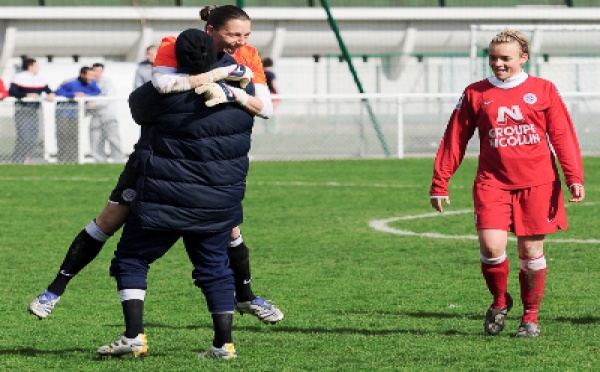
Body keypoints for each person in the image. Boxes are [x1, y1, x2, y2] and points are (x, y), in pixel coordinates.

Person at [28, 5, 282, 325]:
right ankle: (54, 290)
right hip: (157, 156)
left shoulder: (248, 57)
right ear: (211, 31)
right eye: (233, 34)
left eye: (246, 35)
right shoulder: (174, 46)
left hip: (209, 162)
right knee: (109, 219)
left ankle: (246, 297)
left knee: (229, 229)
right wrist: (219, 76)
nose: (240, 41)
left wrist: (231, 90)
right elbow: (163, 85)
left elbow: (266, 108)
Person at [96, 28, 251, 359]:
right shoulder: (241, 96)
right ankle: (223, 344)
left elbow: (139, 105)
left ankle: (134, 335)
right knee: (216, 268)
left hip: (165, 199)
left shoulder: (160, 97)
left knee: (131, 258)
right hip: (218, 201)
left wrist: (168, 75)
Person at [429, 30, 585, 338]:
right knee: (491, 247)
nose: (498, 64)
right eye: (493, 58)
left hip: (538, 183)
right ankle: (500, 301)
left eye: (505, 59)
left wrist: (573, 177)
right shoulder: (475, 93)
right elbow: (455, 138)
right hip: (492, 183)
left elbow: (562, 135)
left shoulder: (543, 90)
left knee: (531, 252)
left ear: (523, 58)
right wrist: (440, 181)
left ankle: (531, 318)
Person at [8, 57, 55, 163]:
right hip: (23, 110)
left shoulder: (39, 78)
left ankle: (26, 158)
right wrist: (26, 95)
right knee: (24, 137)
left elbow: (47, 89)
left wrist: (51, 94)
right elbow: (12, 92)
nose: (38, 68)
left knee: (33, 137)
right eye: (36, 65)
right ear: (30, 66)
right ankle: (18, 159)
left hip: (34, 110)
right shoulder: (19, 77)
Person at [54, 66, 101, 163]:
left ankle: (74, 159)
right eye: (89, 75)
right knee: (63, 136)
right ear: (82, 75)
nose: (91, 77)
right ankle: (62, 159)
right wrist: (73, 94)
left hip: (76, 115)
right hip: (63, 114)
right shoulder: (70, 83)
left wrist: (86, 95)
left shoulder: (92, 83)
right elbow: (58, 92)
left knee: (74, 136)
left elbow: (97, 92)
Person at [89, 63, 125, 163]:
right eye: (94, 71)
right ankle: (100, 161)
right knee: (95, 140)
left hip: (108, 116)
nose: (96, 73)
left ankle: (118, 160)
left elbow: (108, 99)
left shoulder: (108, 83)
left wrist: (95, 103)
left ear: (102, 71)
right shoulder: (90, 83)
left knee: (113, 139)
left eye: (98, 71)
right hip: (95, 116)